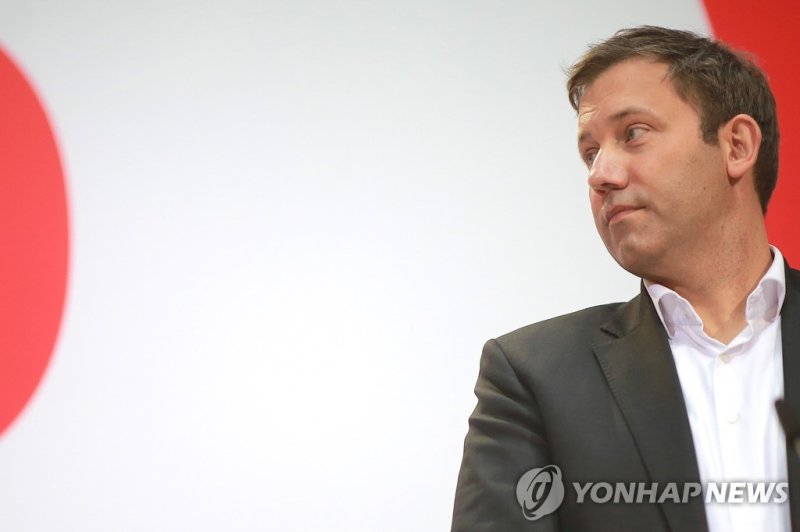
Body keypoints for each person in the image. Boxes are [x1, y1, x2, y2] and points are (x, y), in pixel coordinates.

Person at [451, 26, 799, 532]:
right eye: (590, 153)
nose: (600, 175)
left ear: (737, 145)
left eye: (633, 133)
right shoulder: (533, 377)